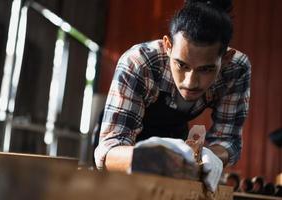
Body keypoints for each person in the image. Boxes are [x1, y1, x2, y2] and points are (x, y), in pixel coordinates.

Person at [94, 0, 251, 192]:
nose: (190, 82)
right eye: (181, 65)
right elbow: (108, 151)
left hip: (175, 137)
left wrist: (210, 156)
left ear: (225, 60)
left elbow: (228, 140)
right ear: (168, 46)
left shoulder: (236, 69)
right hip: (122, 140)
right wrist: (151, 158)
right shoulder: (140, 62)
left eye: (206, 69)